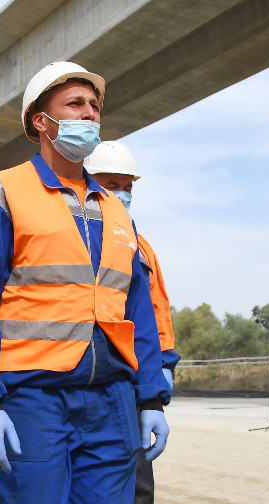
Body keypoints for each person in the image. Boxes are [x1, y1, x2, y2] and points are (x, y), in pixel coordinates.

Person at [0, 61, 170, 503]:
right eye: (75, 104)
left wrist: (150, 398)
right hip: (33, 399)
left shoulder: (117, 212)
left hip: (111, 399)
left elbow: (137, 313)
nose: (90, 114)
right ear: (41, 121)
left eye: (94, 106)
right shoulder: (5, 195)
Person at [85, 140, 182, 504]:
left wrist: (165, 363)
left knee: (138, 486)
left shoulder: (140, 245)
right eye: (112, 185)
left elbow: (156, 311)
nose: (122, 194)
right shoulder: (74, 239)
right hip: (86, 376)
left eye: (128, 186)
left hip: (134, 378)